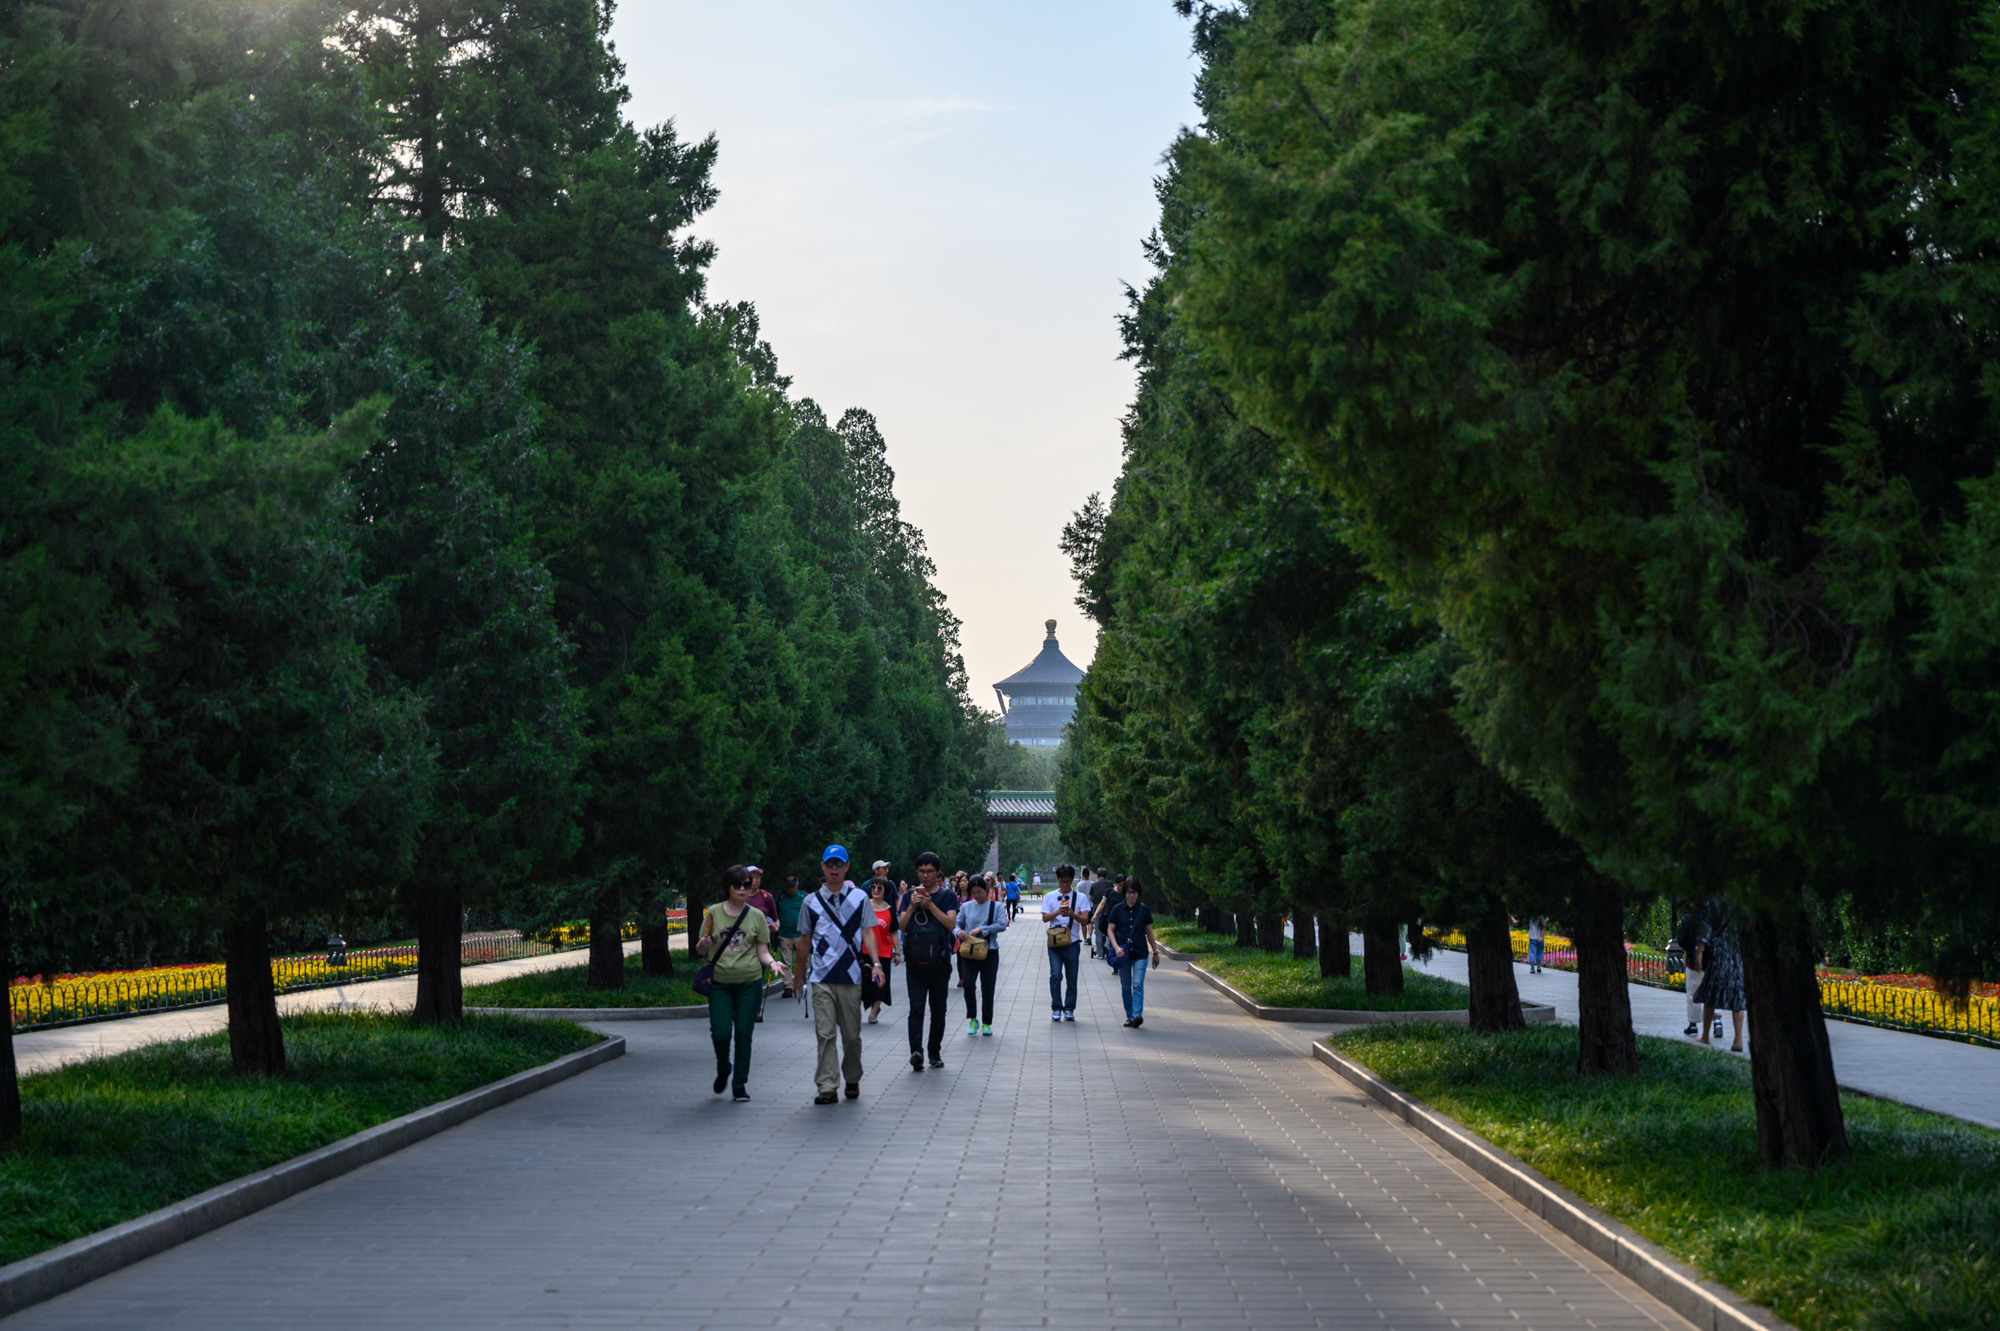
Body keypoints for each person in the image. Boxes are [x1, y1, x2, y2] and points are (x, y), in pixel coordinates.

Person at [789, 846, 884, 1104]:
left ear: (846, 867)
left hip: (851, 976)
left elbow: (868, 933)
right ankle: (827, 1086)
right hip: (821, 977)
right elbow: (804, 941)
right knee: (825, 1033)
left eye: (838, 864)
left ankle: (852, 1077)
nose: (834, 868)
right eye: (829, 864)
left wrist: (876, 964)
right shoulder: (810, 902)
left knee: (852, 1035)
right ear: (822, 866)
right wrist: (798, 976)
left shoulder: (859, 899)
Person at [695, 865, 789, 1101]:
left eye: (746, 884)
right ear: (728, 887)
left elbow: (762, 951)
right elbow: (700, 948)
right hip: (721, 983)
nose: (743, 888)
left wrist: (771, 963)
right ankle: (723, 1067)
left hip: (749, 983)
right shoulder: (714, 913)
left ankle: (739, 1084)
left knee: (744, 1033)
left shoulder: (756, 916)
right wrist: (703, 946)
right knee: (720, 1032)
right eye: (737, 884)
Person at [897, 851, 960, 1070]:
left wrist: (930, 905)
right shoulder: (908, 897)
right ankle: (916, 1051)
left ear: (938, 872)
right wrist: (913, 905)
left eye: (930, 871)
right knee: (916, 1008)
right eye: (921, 871)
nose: (925, 875)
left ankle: (934, 1051)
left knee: (938, 1009)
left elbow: (951, 924)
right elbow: (902, 926)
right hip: (915, 962)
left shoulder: (947, 896)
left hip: (940, 962)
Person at [1104, 878, 1161, 1027]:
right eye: (1129, 892)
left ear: (1138, 894)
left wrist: (1155, 952)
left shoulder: (1144, 910)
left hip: (1140, 952)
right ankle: (1129, 1015)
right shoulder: (1117, 909)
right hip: (1123, 954)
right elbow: (1110, 930)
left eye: (1134, 893)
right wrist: (1116, 948)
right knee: (1125, 986)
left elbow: (1149, 932)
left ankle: (1137, 1014)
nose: (1132, 896)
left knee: (1137, 984)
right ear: (1125, 893)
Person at [955, 875, 1008, 1035]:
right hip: (969, 952)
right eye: (973, 893)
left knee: (988, 987)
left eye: (979, 892)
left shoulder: (996, 907)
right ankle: (972, 1019)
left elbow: (1002, 924)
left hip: (989, 951)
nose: (977, 895)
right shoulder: (966, 906)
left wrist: (982, 929)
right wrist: (959, 932)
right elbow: (956, 924)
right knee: (968, 985)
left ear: (986, 889)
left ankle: (987, 1022)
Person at [1694, 899, 1747, 1053]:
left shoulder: (1714, 897)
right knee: (1737, 992)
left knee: (1710, 992)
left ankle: (1705, 1035)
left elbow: (1706, 926)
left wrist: (1700, 951)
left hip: (1718, 951)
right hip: (1737, 952)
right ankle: (1738, 1039)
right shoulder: (1741, 896)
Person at [1041, 864, 1089, 1021]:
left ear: (1072, 880)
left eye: (1068, 881)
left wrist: (1072, 914)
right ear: (1058, 880)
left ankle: (1069, 1008)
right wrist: (1058, 912)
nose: (1065, 884)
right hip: (1054, 943)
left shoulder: (1080, 897)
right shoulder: (1050, 896)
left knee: (1072, 977)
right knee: (1055, 975)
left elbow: (1085, 920)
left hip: (1072, 942)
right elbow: (1045, 918)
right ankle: (1056, 1007)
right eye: (1062, 881)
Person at [744, 866, 779, 1022]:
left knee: (757, 978)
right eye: (752, 877)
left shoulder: (766, 897)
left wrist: (775, 928)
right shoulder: (740, 896)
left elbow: (775, 918)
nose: (755, 880)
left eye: (758, 877)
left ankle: (756, 1010)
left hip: (761, 946)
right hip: (742, 947)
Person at [865, 873, 898, 1025]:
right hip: (864, 951)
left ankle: (873, 1013)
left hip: (883, 952)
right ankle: (874, 1007)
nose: (876, 890)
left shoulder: (889, 910)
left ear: (885, 891)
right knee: (867, 984)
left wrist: (896, 951)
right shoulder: (864, 906)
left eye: (880, 887)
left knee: (880, 983)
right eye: (874, 887)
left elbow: (893, 932)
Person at [1087, 867, 1117, 959]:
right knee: (1109, 929)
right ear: (1106, 875)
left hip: (1097, 909)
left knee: (1098, 931)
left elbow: (1091, 898)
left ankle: (1100, 953)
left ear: (1097, 876)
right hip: (1109, 910)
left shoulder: (1094, 885)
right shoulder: (1110, 884)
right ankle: (1108, 944)